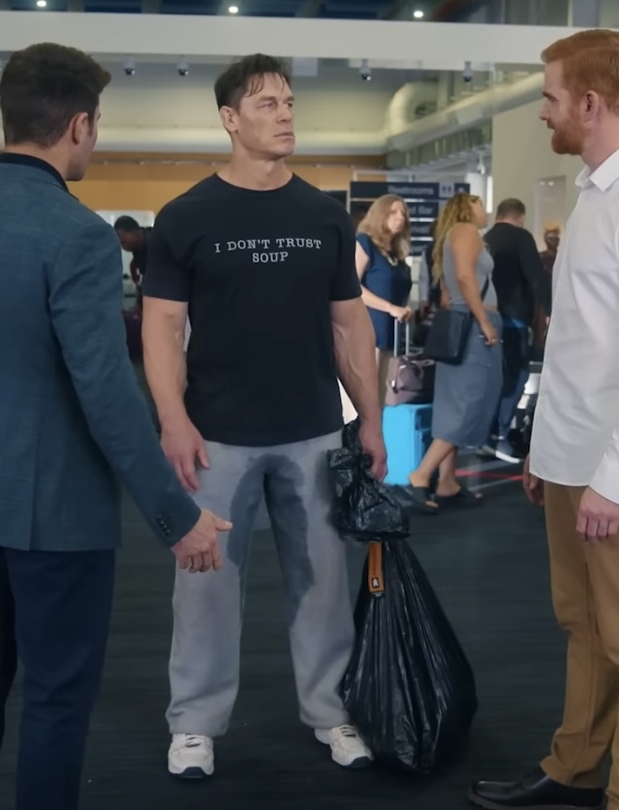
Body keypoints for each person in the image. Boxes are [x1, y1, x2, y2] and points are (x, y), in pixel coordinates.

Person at [0, 43, 227, 810]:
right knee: (55, 689)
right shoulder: (77, 234)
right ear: (79, 125)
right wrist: (175, 516)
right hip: (56, 507)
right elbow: (104, 390)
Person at [471, 30, 619, 810]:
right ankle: (573, 768)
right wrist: (545, 451)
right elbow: (579, 341)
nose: (543, 112)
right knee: (582, 623)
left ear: (590, 102)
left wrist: (614, 477)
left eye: (549, 97)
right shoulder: (597, 192)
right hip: (573, 453)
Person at [141, 53, 385, 780]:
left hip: (313, 431)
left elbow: (350, 326)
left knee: (324, 586)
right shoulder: (185, 217)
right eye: (266, 104)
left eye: (289, 103)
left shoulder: (323, 215)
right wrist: (172, 419)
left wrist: (371, 418)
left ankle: (331, 711)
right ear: (230, 119)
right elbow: (162, 328)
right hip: (216, 435)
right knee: (206, 585)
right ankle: (194, 723)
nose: (284, 116)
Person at [398, 193, 502, 515]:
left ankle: (447, 482)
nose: (484, 209)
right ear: (467, 207)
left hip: (461, 323)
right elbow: (465, 277)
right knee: (468, 403)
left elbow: (447, 291)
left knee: (455, 402)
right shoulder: (467, 231)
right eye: (479, 203)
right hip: (473, 325)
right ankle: (421, 474)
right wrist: (484, 321)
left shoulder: (450, 237)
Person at [483, 197, 548, 463]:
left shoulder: (485, 239)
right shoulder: (521, 237)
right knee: (517, 376)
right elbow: (536, 277)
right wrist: (550, 309)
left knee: (495, 379)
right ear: (520, 217)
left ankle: (487, 434)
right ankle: (499, 435)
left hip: (487, 319)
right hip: (514, 319)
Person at [353, 194, 413, 397]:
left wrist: (406, 309)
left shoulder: (397, 256)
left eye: (403, 213)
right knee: (367, 397)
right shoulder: (365, 243)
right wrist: (389, 307)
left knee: (387, 398)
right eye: (393, 212)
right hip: (369, 335)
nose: (400, 217)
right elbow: (350, 286)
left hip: (393, 337)